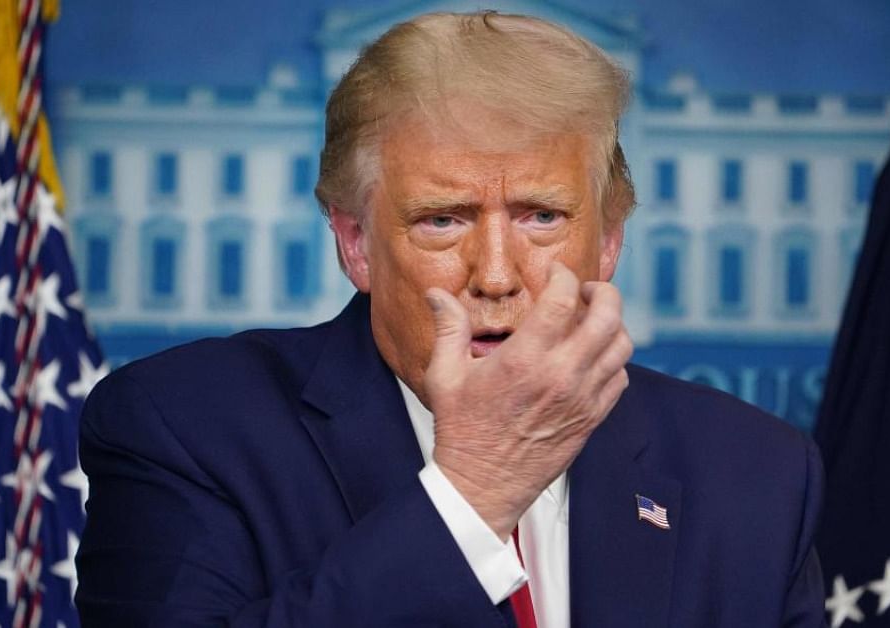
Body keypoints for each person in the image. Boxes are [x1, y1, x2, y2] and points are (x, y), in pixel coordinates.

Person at [76, 11, 825, 627]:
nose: (495, 275)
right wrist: (471, 496)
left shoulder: (755, 474)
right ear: (356, 244)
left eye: (541, 216)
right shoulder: (183, 428)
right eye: (442, 220)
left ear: (610, 240)